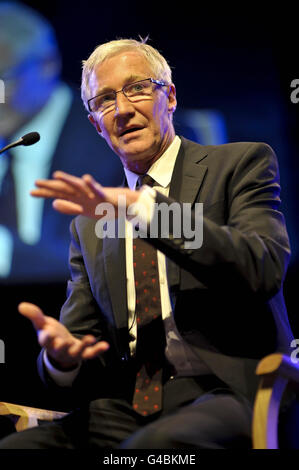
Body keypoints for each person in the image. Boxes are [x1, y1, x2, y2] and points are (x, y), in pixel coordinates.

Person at [0, 37, 294, 449]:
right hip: (127, 407)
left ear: (169, 97)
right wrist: (60, 357)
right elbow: (76, 343)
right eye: (104, 100)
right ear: (94, 124)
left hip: (229, 392)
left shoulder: (240, 165)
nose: (121, 110)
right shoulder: (89, 226)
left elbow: (262, 268)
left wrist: (146, 209)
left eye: (137, 88)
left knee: (147, 451)